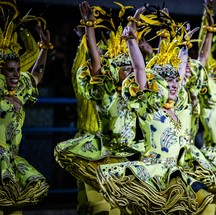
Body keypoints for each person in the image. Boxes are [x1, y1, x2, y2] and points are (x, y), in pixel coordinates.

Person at [96, 19, 216, 215]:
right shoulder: (150, 108)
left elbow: (181, 69)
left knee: (208, 207)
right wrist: (131, 41)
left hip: (178, 174)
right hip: (154, 175)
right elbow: (140, 70)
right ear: (157, 86)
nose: (175, 85)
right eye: (168, 82)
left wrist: (183, 44)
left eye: (176, 81)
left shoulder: (178, 108)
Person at [54, 2, 150, 215]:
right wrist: (90, 27)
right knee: (101, 210)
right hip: (102, 158)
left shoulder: (134, 96)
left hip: (125, 159)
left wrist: (132, 37)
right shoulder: (105, 92)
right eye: (124, 69)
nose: (130, 72)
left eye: (130, 68)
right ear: (115, 72)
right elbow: (96, 63)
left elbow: (140, 67)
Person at [0, 2, 52, 214]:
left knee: (15, 208)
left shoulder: (19, 90)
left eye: (17, 70)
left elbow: (37, 74)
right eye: (9, 70)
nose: (15, 74)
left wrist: (44, 48)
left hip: (11, 161)